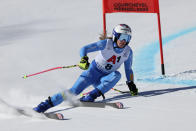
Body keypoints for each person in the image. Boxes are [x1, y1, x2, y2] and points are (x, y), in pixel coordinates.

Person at [33, 24, 138, 113]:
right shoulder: (106, 44)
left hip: (104, 79)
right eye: (122, 37)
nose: (124, 41)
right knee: (73, 91)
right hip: (92, 73)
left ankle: (90, 97)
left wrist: (131, 83)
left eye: (127, 38)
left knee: (116, 75)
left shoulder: (128, 52)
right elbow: (84, 48)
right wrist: (84, 59)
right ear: (115, 36)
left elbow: (128, 69)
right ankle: (44, 105)